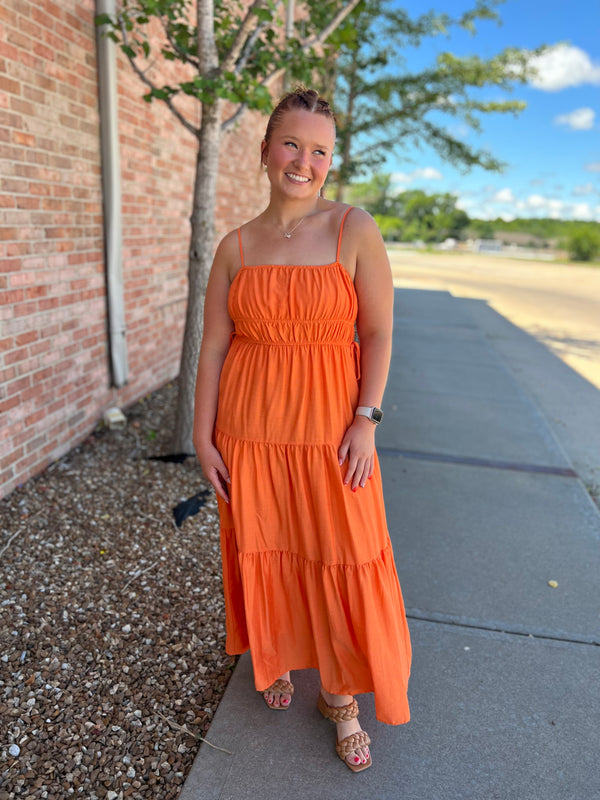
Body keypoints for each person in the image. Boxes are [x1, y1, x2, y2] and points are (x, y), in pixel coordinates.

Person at [193, 86, 411, 773]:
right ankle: (278, 655)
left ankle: (340, 698)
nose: (303, 161)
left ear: (330, 161)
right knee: (270, 547)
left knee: (342, 554)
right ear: (264, 152)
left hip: (331, 435)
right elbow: (213, 348)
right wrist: (203, 436)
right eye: (291, 143)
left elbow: (377, 333)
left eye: (319, 150)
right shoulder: (234, 247)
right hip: (250, 433)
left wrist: (366, 420)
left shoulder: (354, 229)